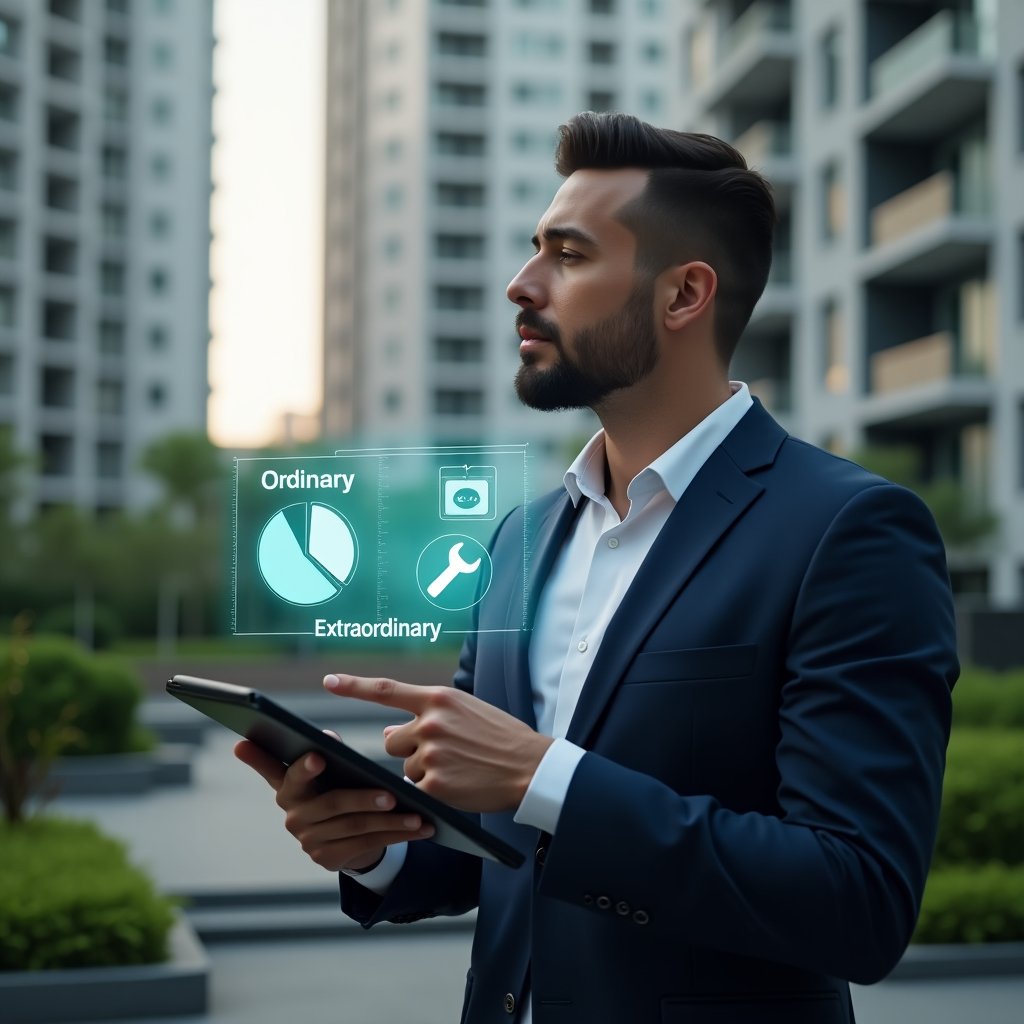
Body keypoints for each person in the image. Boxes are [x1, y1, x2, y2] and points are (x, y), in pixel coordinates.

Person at [236, 112, 958, 1023]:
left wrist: (547, 775)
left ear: (684, 295)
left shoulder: (850, 532)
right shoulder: (519, 539)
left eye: (567, 256)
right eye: (534, 248)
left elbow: (858, 900)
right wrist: (374, 846)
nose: (519, 284)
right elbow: (496, 847)